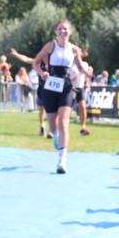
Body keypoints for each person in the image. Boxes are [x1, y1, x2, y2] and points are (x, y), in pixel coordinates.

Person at [32, 19, 85, 174]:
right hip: (51, 84)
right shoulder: (51, 46)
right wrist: (42, 73)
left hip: (67, 86)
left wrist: (86, 73)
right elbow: (35, 62)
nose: (63, 31)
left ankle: (62, 159)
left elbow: (80, 66)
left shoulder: (75, 49)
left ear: (70, 32)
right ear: (56, 31)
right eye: (60, 29)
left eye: (66, 29)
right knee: (53, 124)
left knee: (63, 121)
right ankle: (55, 136)